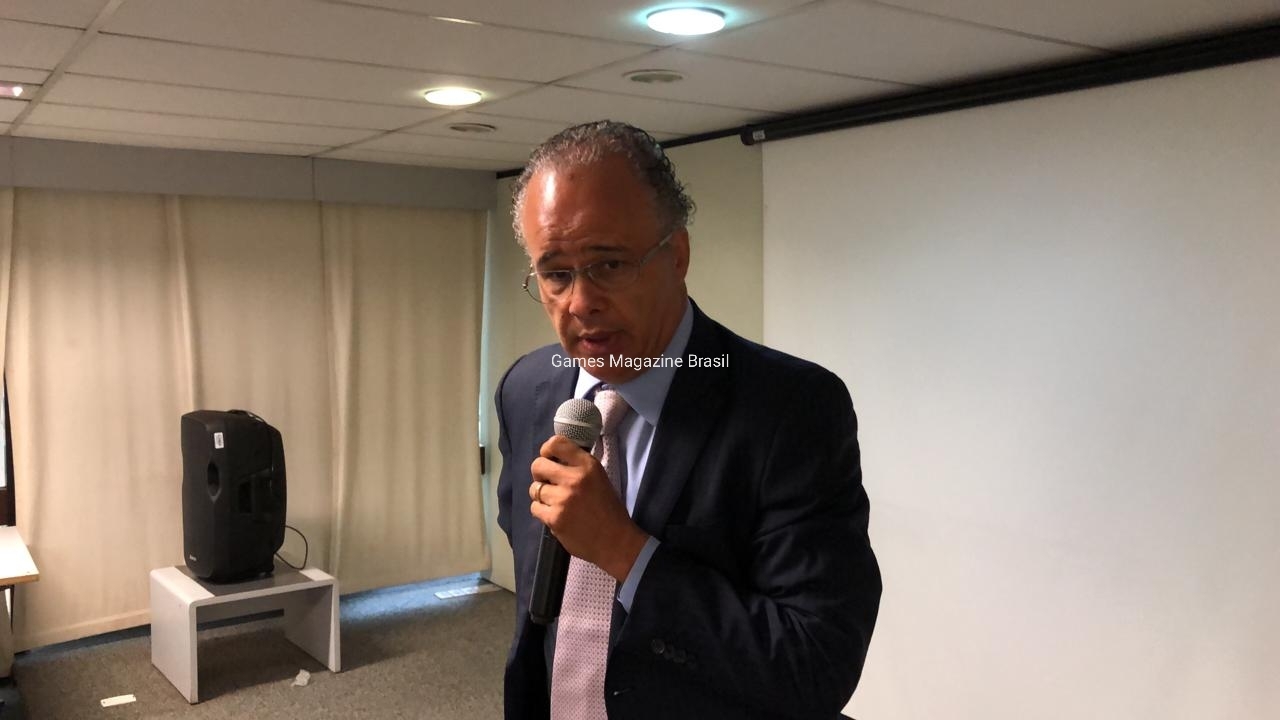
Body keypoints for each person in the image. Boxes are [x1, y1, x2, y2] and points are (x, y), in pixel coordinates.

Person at [495, 120, 881, 720]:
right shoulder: (526, 388)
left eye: (609, 264)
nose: (580, 302)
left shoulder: (792, 408)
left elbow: (815, 663)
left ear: (676, 256)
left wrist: (625, 551)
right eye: (555, 273)